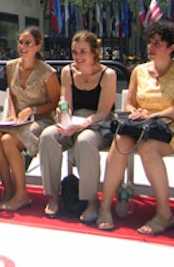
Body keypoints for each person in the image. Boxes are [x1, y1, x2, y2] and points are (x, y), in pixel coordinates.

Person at [97, 20, 174, 235]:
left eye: (157, 43)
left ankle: (164, 213)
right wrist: (136, 112)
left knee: (148, 148)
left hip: (169, 130)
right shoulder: (139, 71)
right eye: (149, 42)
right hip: (141, 126)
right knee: (120, 141)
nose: (151, 47)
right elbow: (129, 103)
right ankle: (105, 207)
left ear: (170, 48)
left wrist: (156, 115)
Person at [39, 30, 116, 224]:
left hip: (97, 124)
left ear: (94, 53)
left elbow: (103, 112)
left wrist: (81, 125)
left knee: (85, 141)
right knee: (48, 136)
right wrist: (62, 114)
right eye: (75, 52)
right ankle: (53, 196)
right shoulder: (67, 72)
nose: (78, 56)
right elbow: (67, 104)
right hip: (73, 121)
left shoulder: (108, 75)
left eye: (83, 51)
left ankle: (91, 201)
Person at [0, 26, 60, 211]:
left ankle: (22, 194)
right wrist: (12, 114)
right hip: (19, 120)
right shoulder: (11, 66)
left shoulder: (47, 72)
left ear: (38, 47)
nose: (23, 46)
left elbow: (55, 102)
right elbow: (12, 94)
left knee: (7, 140)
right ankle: (9, 188)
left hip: (42, 120)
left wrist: (32, 109)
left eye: (28, 43)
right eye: (21, 42)